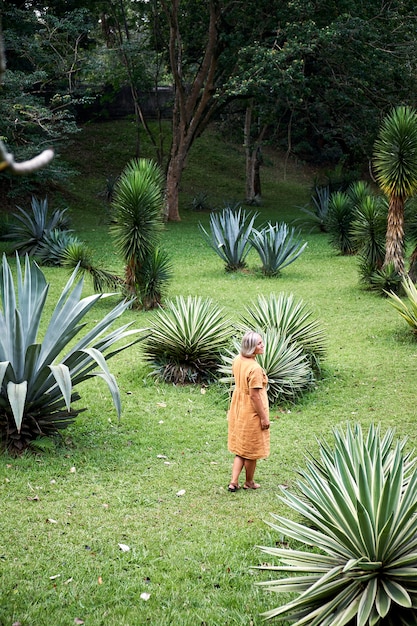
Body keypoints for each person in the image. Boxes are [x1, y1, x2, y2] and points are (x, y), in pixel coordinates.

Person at [227, 330, 270, 492]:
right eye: (259, 343)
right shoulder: (255, 368)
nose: (263, 345)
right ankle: (249, 482)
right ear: (252, 347)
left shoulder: (238, 360)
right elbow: (255, 396)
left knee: (241, 448)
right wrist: (264, 418)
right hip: (251, 412)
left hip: (238, 407)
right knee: (251, 450)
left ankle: (233, 481)